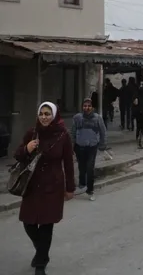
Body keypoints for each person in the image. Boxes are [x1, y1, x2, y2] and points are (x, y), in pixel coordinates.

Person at [15, 102, 75, 275]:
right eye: (41, 113)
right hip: (32, 185)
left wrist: (70, 187)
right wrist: (27, 148)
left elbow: (69, 163)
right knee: (28, 223)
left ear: (54, 115)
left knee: (46, 226)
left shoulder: (63, 135)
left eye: (48, 114)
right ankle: (42, 252)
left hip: (53, 186)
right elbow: (17, 155)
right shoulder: (32, 132)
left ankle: (40, 263)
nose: (44, 117)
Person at [71, 97, 107, 201]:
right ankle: (82, 183)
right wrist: (71, 145)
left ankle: (90, 190)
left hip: (92, 147)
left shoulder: (97, 118)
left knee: (90, 168)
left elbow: (103, 131)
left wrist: (102, 144)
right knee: (82, 167)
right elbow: (72, 132)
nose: (87, 108)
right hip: (79, 147)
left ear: (92, 107)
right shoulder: (77, 118)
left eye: (89, 106)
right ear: (82, 107)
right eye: (85, 106)